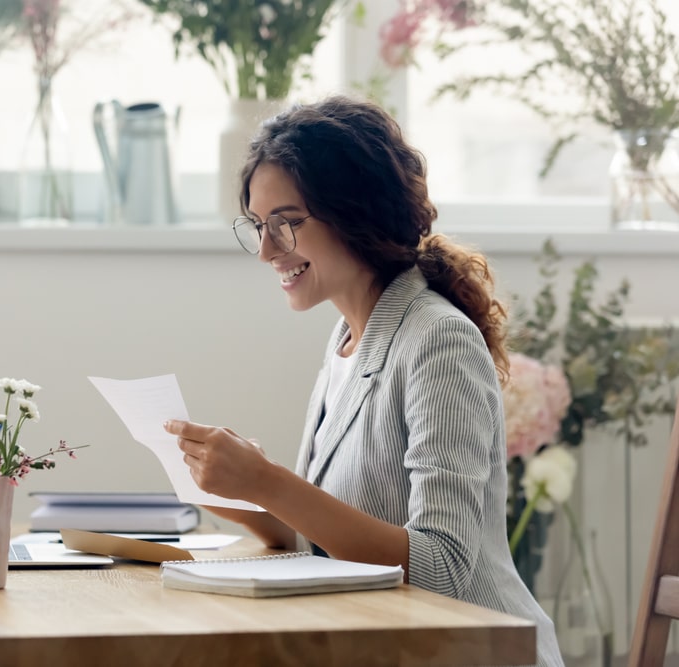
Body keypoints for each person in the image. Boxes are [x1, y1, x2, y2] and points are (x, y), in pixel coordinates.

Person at [162, 96, 563, 667]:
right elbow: (333, 542)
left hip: (474, 651)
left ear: (355, 211)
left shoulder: (438, 341)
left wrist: (272, 483)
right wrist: (242, 489)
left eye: (287, 223)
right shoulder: (348, 339)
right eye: (258, 226)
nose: (267, 251)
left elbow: (441, 569)